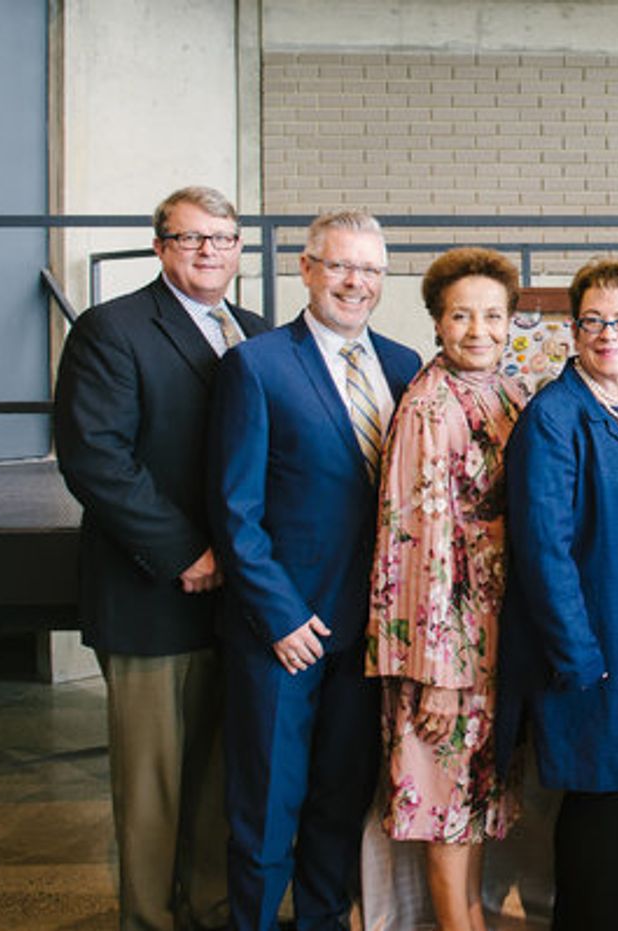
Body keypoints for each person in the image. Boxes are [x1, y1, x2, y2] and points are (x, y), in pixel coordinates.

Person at [54, 185, 268, 931]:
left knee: (218, 774)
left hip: (237, 599)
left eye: (223, 237)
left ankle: (209, 907)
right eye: (190, 237)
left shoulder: (253, 331)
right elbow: (97, 459)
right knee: (152, 786)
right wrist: (186, 551)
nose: (209, 250)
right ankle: (148, 918)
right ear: (159, 246)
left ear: (239, 249)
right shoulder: (112, 330)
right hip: (152, 594)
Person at [209, 209, 421, 931]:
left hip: (368, 637)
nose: (356, 282)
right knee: (267, 807)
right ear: (306, 268)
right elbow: (234, 510)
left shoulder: (403, 365)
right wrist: (280, 615)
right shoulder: (257, 365)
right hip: (284, 635)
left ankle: (323, 920)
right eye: (340, 266)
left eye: (370, 269)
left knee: (339, 800)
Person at [495, 258, 618, 930]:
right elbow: (542, 546)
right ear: (573, 330)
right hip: (595, 647)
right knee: (598, 810)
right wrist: (578, 652)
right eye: (594, 321)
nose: (609, 334)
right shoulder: (556, 415)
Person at [366, 248, 527, 930]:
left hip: (494, 636)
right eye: (462, 316)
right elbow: (414, 545)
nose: (478, 330)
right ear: (437, 322)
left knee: (476, 809)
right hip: (445, 646)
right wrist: (434, 674)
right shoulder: (428, 406)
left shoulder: (508, 393)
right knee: (445, 811)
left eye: (492, 315)